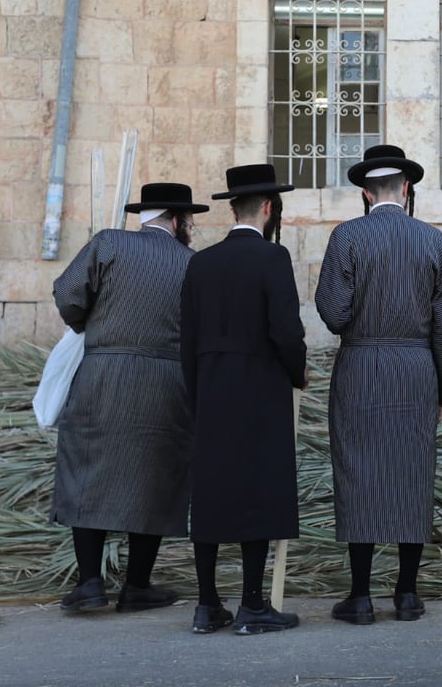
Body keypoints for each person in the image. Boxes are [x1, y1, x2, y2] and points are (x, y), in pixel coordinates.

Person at [314, 144, 442, 625]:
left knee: (358, 473)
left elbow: (333, 314)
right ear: (407, 187)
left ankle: (359, 596)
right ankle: (407, 594)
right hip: (417, 369)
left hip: (360, 366)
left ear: (365, 192)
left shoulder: (347, 237)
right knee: (412, 474)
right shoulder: (433, 241)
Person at [50, 182, 208, 613]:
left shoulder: (107, 243)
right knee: (154, 475)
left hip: (103, 372)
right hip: (166, 380)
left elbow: (67, 293)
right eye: (189, 221)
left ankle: (89, 583)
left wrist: (86, 324)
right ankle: (137, 584)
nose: (190, 228)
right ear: (176, 221)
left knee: (88, 468)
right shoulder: (193, 263)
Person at [179, 164, 306, 636]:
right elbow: (287, 333)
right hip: (260, 389)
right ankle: (252, 604)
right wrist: (298, 373)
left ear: (233, 207)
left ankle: (207, 605)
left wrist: (197, 394)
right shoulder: (274, 259)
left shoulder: (200, 263)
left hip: (211, 389)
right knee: (258, 491)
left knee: (210, 493)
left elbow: (186, 338)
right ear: (269, 208)